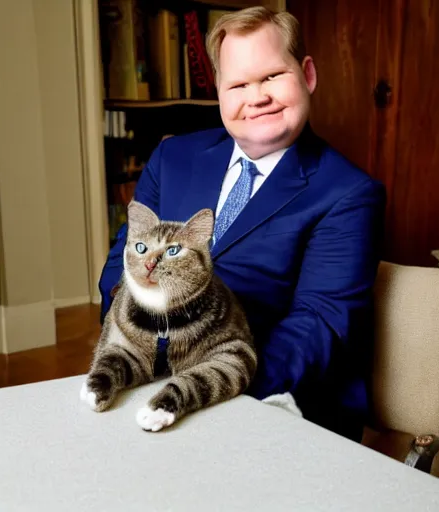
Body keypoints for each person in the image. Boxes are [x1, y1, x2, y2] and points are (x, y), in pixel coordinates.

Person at [98, 6, 386, 442]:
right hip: (153, 378)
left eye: (272, 76)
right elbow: (122, 262)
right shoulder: (172, 159)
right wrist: (137, 352)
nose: (257, 97)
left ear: (307, 75)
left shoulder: (348, 192)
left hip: (267, 396)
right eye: (238, 84)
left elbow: (318, 324)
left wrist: (204, 388)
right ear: (219, 93)